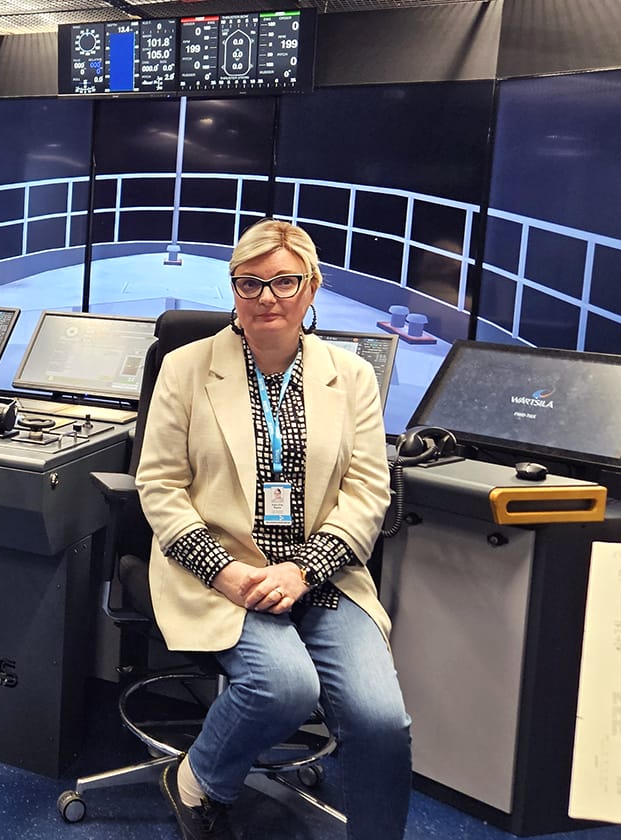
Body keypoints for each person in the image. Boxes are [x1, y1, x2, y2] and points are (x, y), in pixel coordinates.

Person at [136, 219, 411, 840]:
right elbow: (159, 486)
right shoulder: (185, 368)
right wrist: (225, 571)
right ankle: (197, 778)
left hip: (319, 574)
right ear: (233, 291)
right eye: (250, 283)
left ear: (311, 288)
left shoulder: (352, 377)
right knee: (284, 686)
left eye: (285, 282)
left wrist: (303, 569)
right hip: (222, 571)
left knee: (379, 721)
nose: (267, 297)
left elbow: (368, 492)